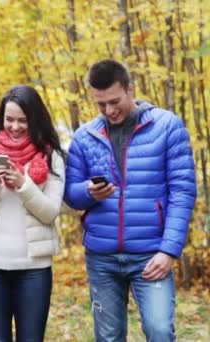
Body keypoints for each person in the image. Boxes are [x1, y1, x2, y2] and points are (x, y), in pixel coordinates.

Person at [64, 59, 196, 341]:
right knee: (109, 337)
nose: (109, 111)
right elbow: (70, 196)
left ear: (129, 89)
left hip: (151, 253)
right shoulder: (84, 137)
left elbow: (182, 192)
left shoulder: (167, 127)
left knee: (160, 331)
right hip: (102, 256)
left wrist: (169, 251)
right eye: (101, 104)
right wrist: (88, 192)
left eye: (114, 101)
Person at [0, 85, 66, 341]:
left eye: (22, 120)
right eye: (9, 119)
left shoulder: (50, 156)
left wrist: (23, 184)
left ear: (35, 120)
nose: (14, 126)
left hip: (34, 269)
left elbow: (50, 213)